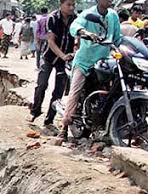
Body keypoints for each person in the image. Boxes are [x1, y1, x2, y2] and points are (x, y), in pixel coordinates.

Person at [62, 0, 122, 141]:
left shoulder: (113, 15)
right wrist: (85, 33)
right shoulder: (88, 14)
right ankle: (63, 128)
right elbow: (75, 26)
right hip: (85, 61)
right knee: (75, 91)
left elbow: (118, 38)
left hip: (104, 62)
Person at [28, 0, 76, 132]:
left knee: (59, 91)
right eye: (69, 5)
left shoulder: (76, 19)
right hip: (49, 57)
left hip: (65, 61)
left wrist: (74, 53)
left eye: (73, 5)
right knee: (42, 84)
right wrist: (63, 55)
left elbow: (78, 39)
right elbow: (51, 41)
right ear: (61, 4)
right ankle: (35, 111)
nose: (71, 8)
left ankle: (49, 119)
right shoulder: (52, 18)